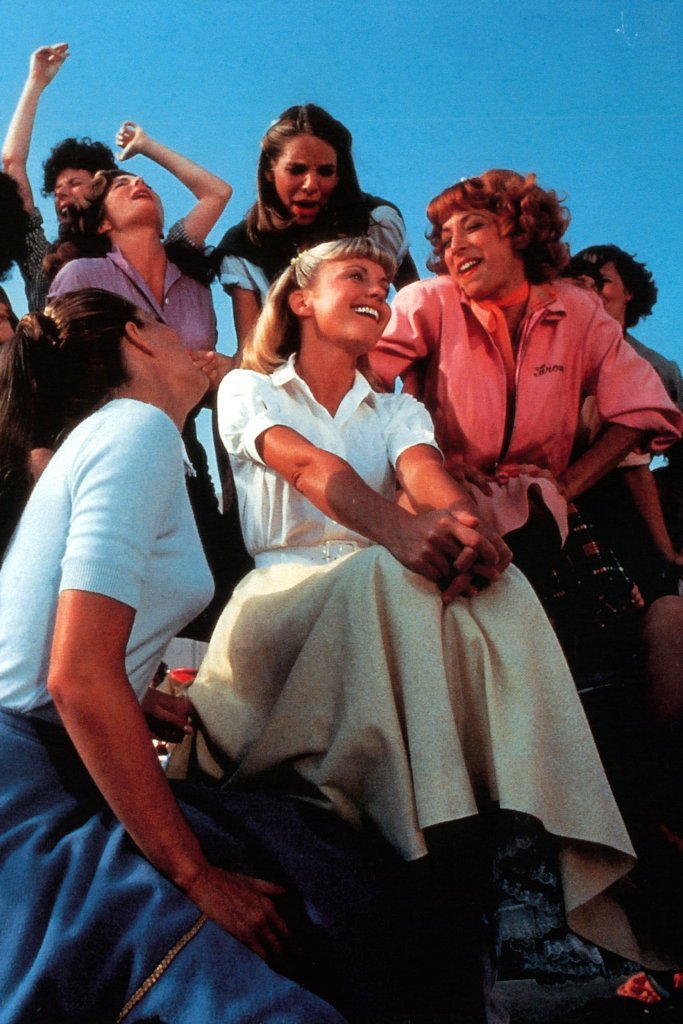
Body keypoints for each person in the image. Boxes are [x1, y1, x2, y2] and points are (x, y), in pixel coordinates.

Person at [188, 238, 664, 981]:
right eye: (356, 276)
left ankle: (522, 860)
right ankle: (438, 848)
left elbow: (425, 473)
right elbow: (313, 468)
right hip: (281, 598)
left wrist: (467, 535)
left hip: (383, 577)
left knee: (498, 588)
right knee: (392, 577)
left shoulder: (397, 405)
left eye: (386, 280)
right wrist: (403, 532)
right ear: (301, 299)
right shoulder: (250, 389)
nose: (379, 289)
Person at [0, 287, 467, 1024]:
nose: (194, 342)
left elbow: (51, 643)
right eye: (167, 324)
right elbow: (75, 676)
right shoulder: (135, 429)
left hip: (48, 761)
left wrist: (137, 686)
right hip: (26, 794)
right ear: (139, 339)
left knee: (318, 867)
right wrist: (195, 875)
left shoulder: (121, 436)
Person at [370, 171, 683, 644]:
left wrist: (571, 483)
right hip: (444, 495)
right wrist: (429, 461)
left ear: (520, 230)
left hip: (541, 508)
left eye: (471, 225)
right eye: (445, 236)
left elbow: (643, 408)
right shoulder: (427, 301)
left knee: (612, 625)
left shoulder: (578, 310)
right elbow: (357, 387)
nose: (453, 245)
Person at [47, 140, 241, 636]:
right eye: (118, 185)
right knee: (117, 589)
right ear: (102, 222)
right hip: (109, 445)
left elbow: (218, 191)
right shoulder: (82, 274)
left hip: (182, 448)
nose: (137, 182)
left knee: (210, 585)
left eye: (140, 180)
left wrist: (223, 370)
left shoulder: (194, 282)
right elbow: (65, 374)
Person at [212, 104, 418, 350]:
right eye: (296, 170)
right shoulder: (243, 246)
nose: (311, 184)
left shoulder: (375, 222)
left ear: (339, 174)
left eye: (325, 171)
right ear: (269, 171)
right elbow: (250, 349)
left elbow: (416, 309)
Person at [2, 43, 118, 311]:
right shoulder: (43, 260)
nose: (62, 192)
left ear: (103, 188)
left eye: (75, 183)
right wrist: (36, 81)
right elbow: (13, 165)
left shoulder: (133, 255)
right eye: (57, 189)